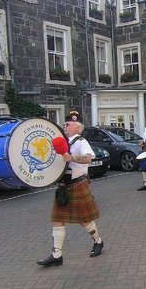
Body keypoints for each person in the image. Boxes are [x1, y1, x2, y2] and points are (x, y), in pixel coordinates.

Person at [37, 111, 104, 267]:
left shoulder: (81, 142)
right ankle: (57, 255)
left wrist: (72, 158)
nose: (65, 126)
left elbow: (88, 158)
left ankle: (98, 241)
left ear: (77, 127)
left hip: (77, 184)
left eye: (68, 124)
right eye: (65, 123)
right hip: (63, 185)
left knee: (84, 220)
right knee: (57, 219)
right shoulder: (62, 142)